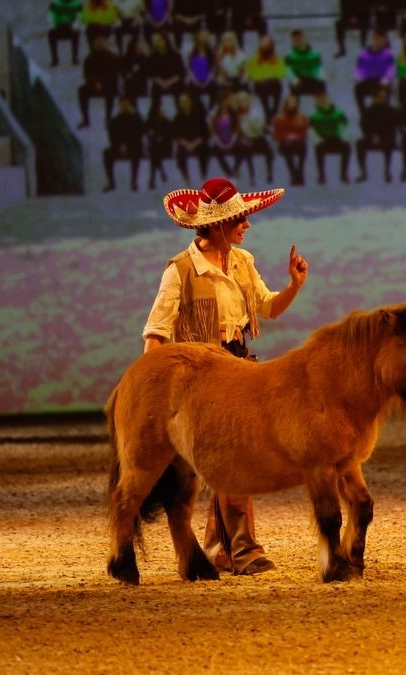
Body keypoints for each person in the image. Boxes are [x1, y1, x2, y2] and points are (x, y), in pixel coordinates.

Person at [144, 177, 308, 577]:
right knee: (234, 455)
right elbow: (157, 332)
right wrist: (154, 395)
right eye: (240, 218)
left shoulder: (241, 262)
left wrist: (294, 286)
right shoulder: (181, 270)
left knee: (239, 453)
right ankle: (243, 548)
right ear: (217, 224)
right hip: (201, 376)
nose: (247, 224)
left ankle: (223, 547)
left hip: (238, 369)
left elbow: (267, 308)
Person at [101, 95, 143, 191]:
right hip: (118, 147)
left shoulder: (136, 118)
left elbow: (138, 135)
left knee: (136, 153)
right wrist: (119, 146)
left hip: (133, 146)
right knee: (107, 153)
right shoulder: (116, 120)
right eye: (122, 103)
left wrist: (128, 145)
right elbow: (112, 136)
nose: (124, 105)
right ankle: (111, 182)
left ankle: (134, 182)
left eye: (126, 103)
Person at [356, 86, 398, 183]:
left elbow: (392, 127)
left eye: (384, 97)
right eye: (379, 97)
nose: (381, 99)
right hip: (371, 138)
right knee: (360, 144)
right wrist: (372, 136)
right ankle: (363, 172)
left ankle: (387, 171)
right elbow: (364, 126)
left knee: (389, 143)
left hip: (386, 138)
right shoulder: (368, 111)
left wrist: (381, 136)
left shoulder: (390, 111)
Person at [47, 0, 82, 68]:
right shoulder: (55, 3)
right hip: (58, 27)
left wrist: (75, 25)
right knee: (51, 33)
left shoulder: (76, 4)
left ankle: (75, 58)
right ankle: (55, 59)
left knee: (76, 33)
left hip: (71, 27)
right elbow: (50, 16)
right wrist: (52, 25)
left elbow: (79, 16)